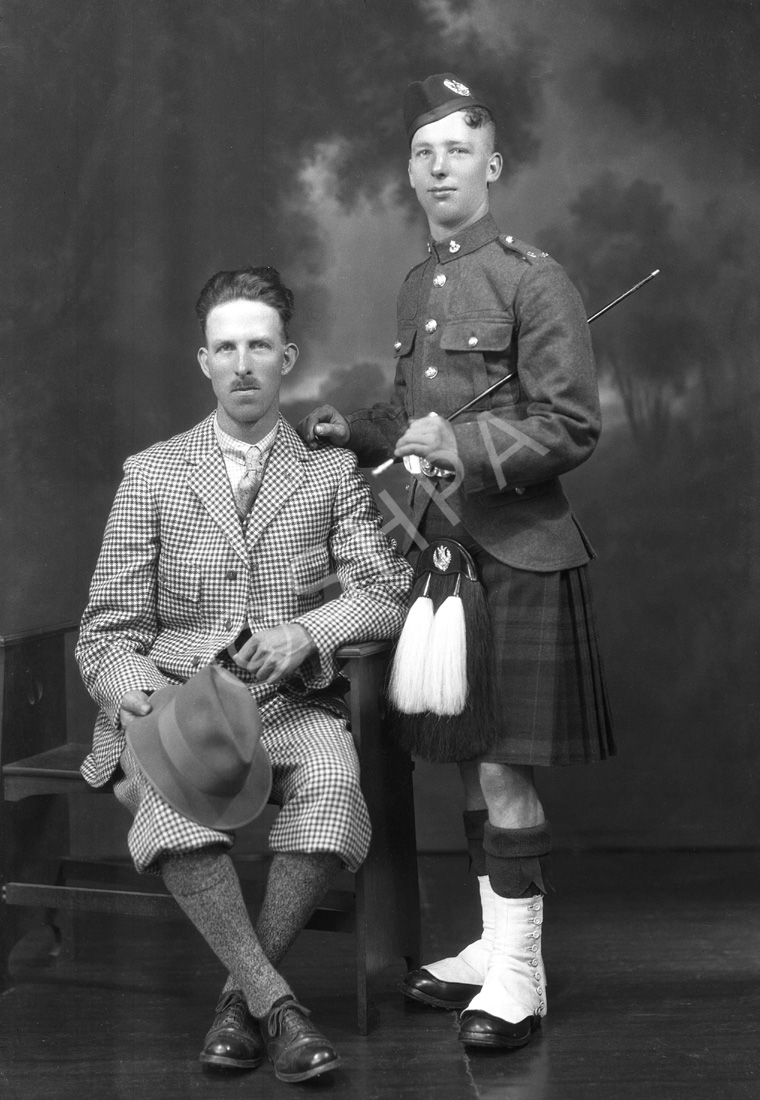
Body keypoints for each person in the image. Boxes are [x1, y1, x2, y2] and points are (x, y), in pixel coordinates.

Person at [299, 73, 615, 1050]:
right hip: (444, 551)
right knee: (472, 764)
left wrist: (466, 447)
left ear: (492, 165)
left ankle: (518, 975)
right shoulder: (415, 283)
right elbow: (413, 415)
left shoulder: (532, 278)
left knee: (506, 767)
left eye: (457, 151)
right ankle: (488, 944)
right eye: (423, 153)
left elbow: (569, 425)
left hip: (517, 550)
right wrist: (352, 428)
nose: (439, 168)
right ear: (411, 170)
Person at [75, 265, 412, 1083]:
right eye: (226, 348)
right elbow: (105, 634)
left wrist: (305, 630)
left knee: (335, 785)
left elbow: (385, 591)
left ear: (288, 357)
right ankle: (281, 1009)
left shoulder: (329, 474)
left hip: (288, 703)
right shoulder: (152, 472)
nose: (243, 364)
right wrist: (142, 704)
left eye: (260, 346)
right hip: (172, 704)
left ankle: (242, 1000)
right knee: (168, 798)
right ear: (204, 362)